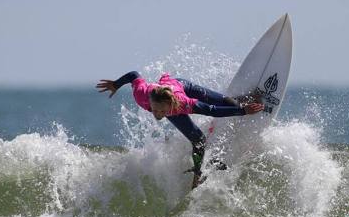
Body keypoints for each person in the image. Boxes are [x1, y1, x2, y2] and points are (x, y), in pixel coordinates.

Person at [96, 71, 264, 188]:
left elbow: (210, 110)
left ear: (170, 105)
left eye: (162, 111)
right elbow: (133, 75)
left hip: (183, 86)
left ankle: (243, 101)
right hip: (169, 103)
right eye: (155, 110)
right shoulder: (142, 95)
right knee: (198, 140)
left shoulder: (183, 104)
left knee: (227, 104)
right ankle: (197, 174)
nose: (158, 115)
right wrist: (116, 85)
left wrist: (242, 111)